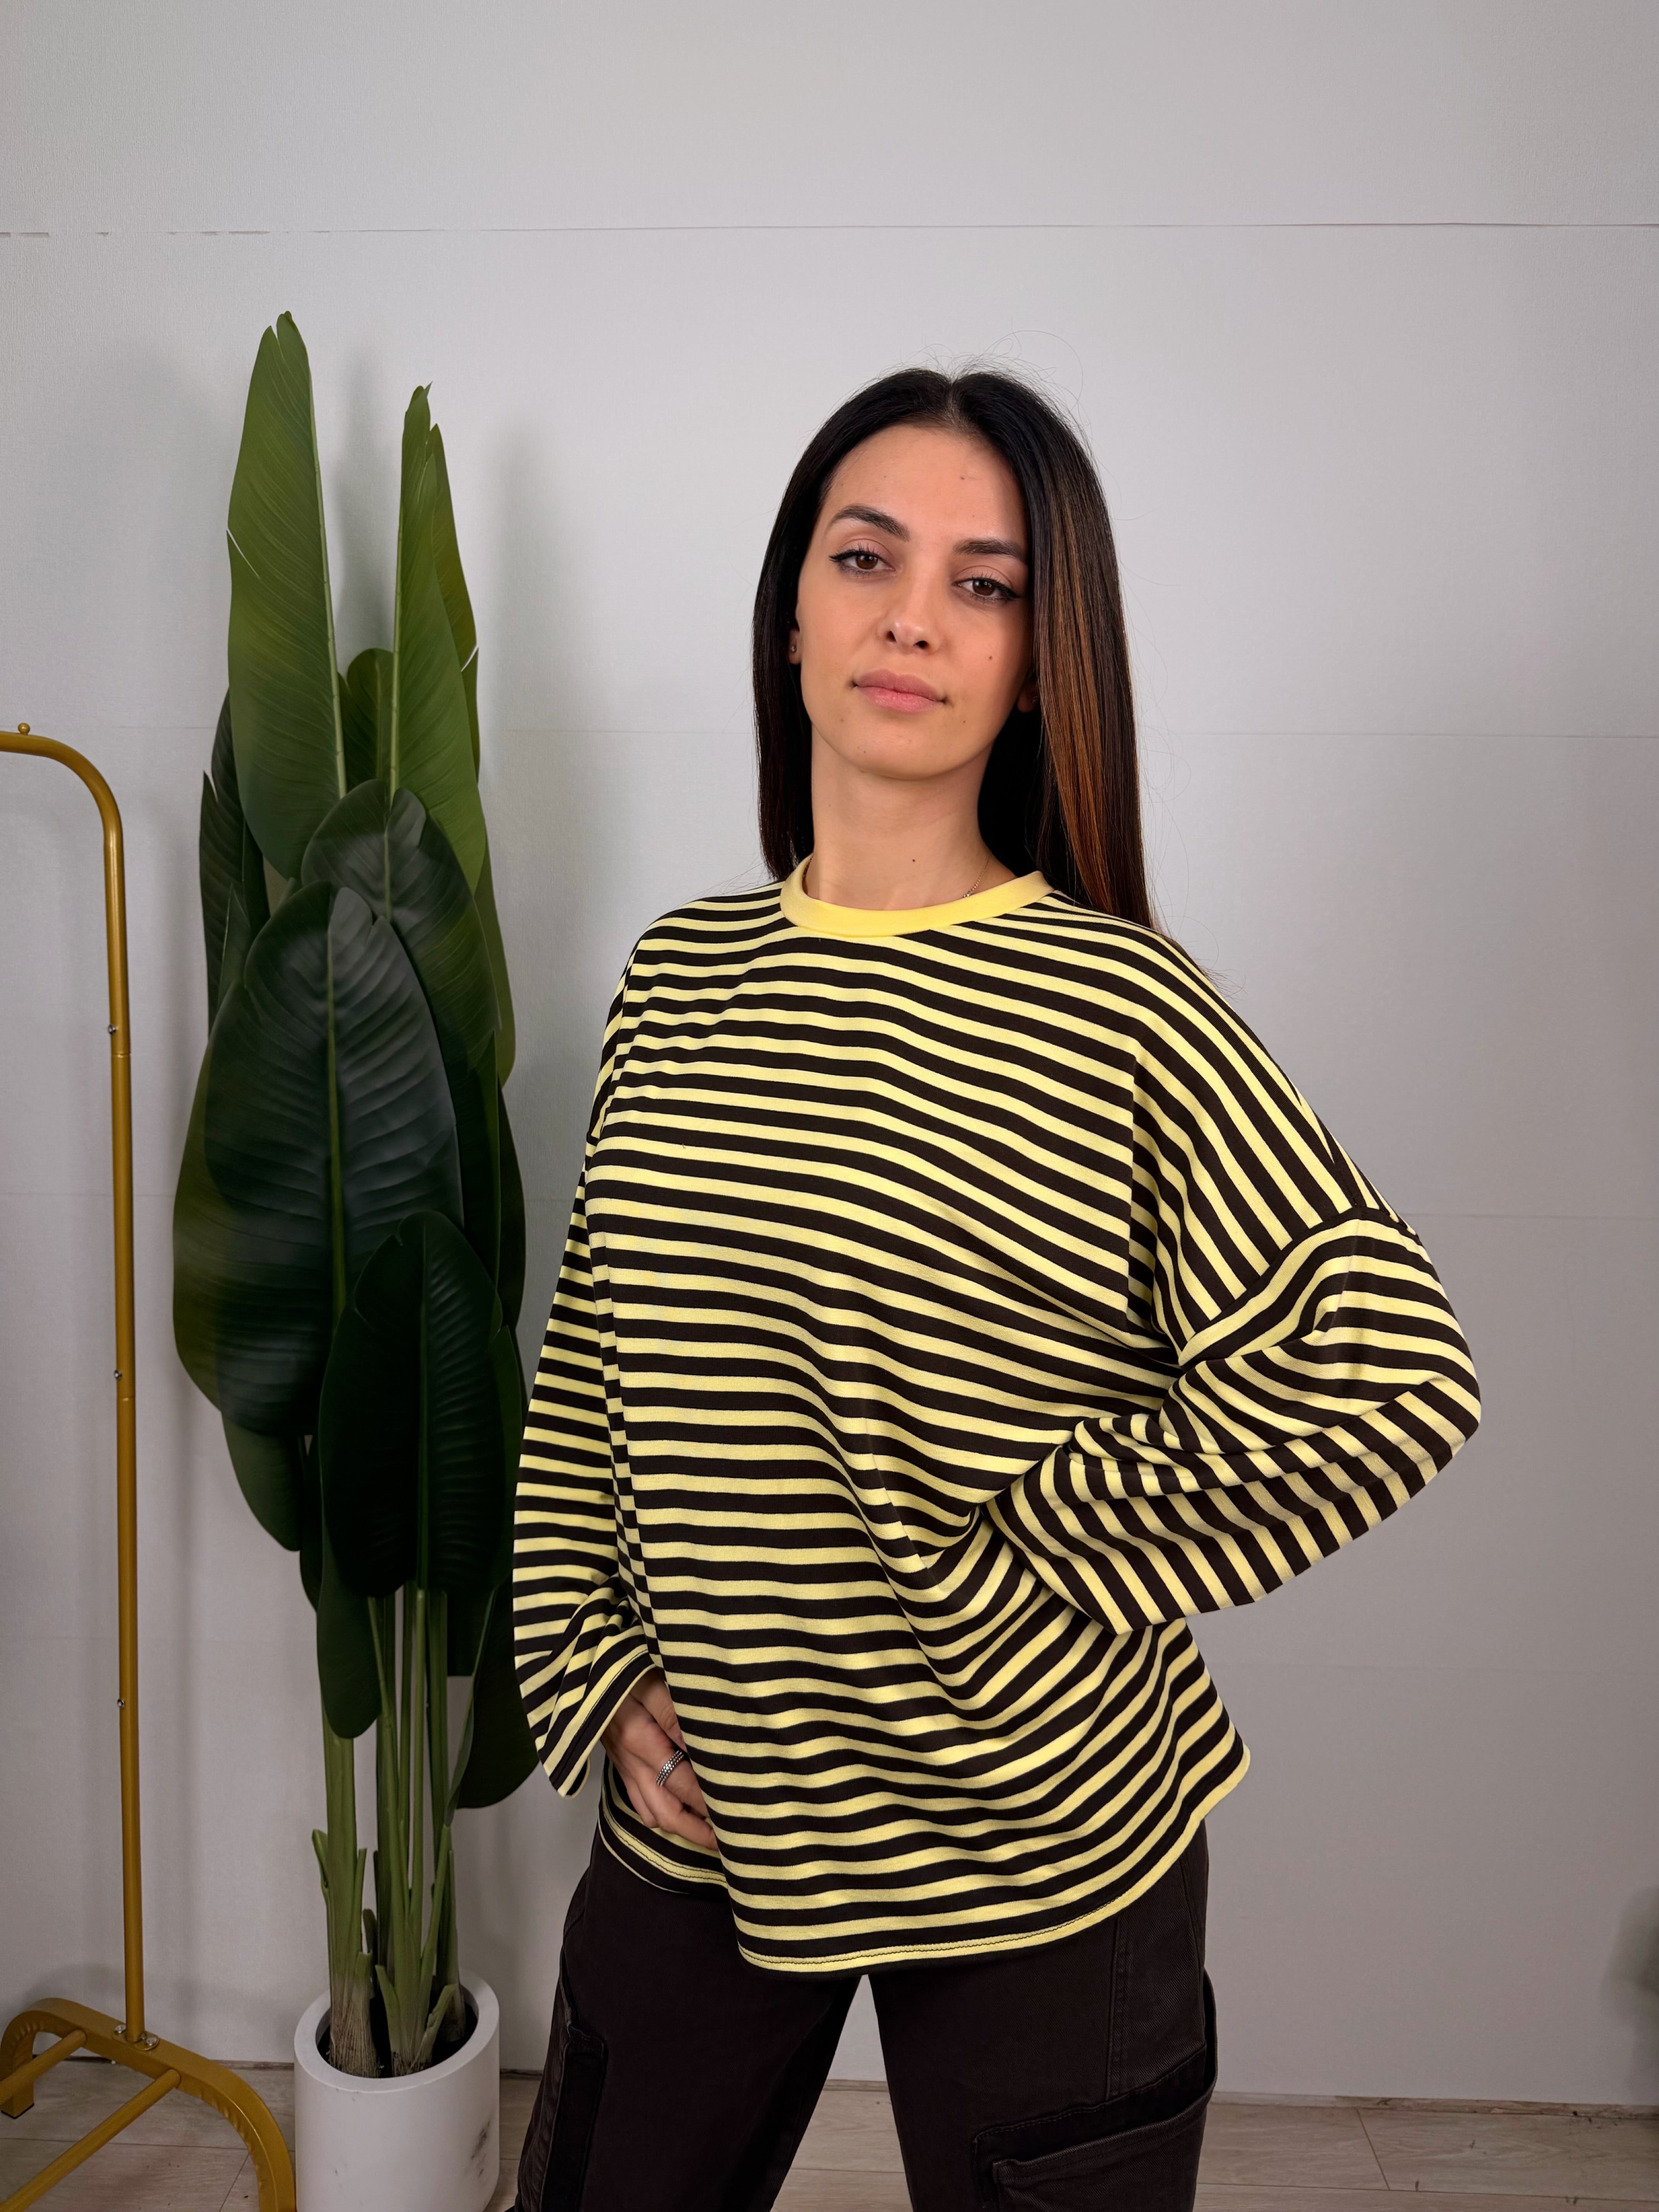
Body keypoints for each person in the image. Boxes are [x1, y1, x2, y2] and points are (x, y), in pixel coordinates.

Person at [508, 367, 1480, 2212]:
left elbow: (1388, 1370)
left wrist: (1018, 1535)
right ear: (792, 611)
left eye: (985, 584)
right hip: (711, 1808)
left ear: (1039, 663)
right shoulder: (681, 976)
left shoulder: (1123, 1008)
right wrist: (599, 1670)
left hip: (1044, 1834)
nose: (911, 618)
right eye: (866, 558)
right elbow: (589, 1382)